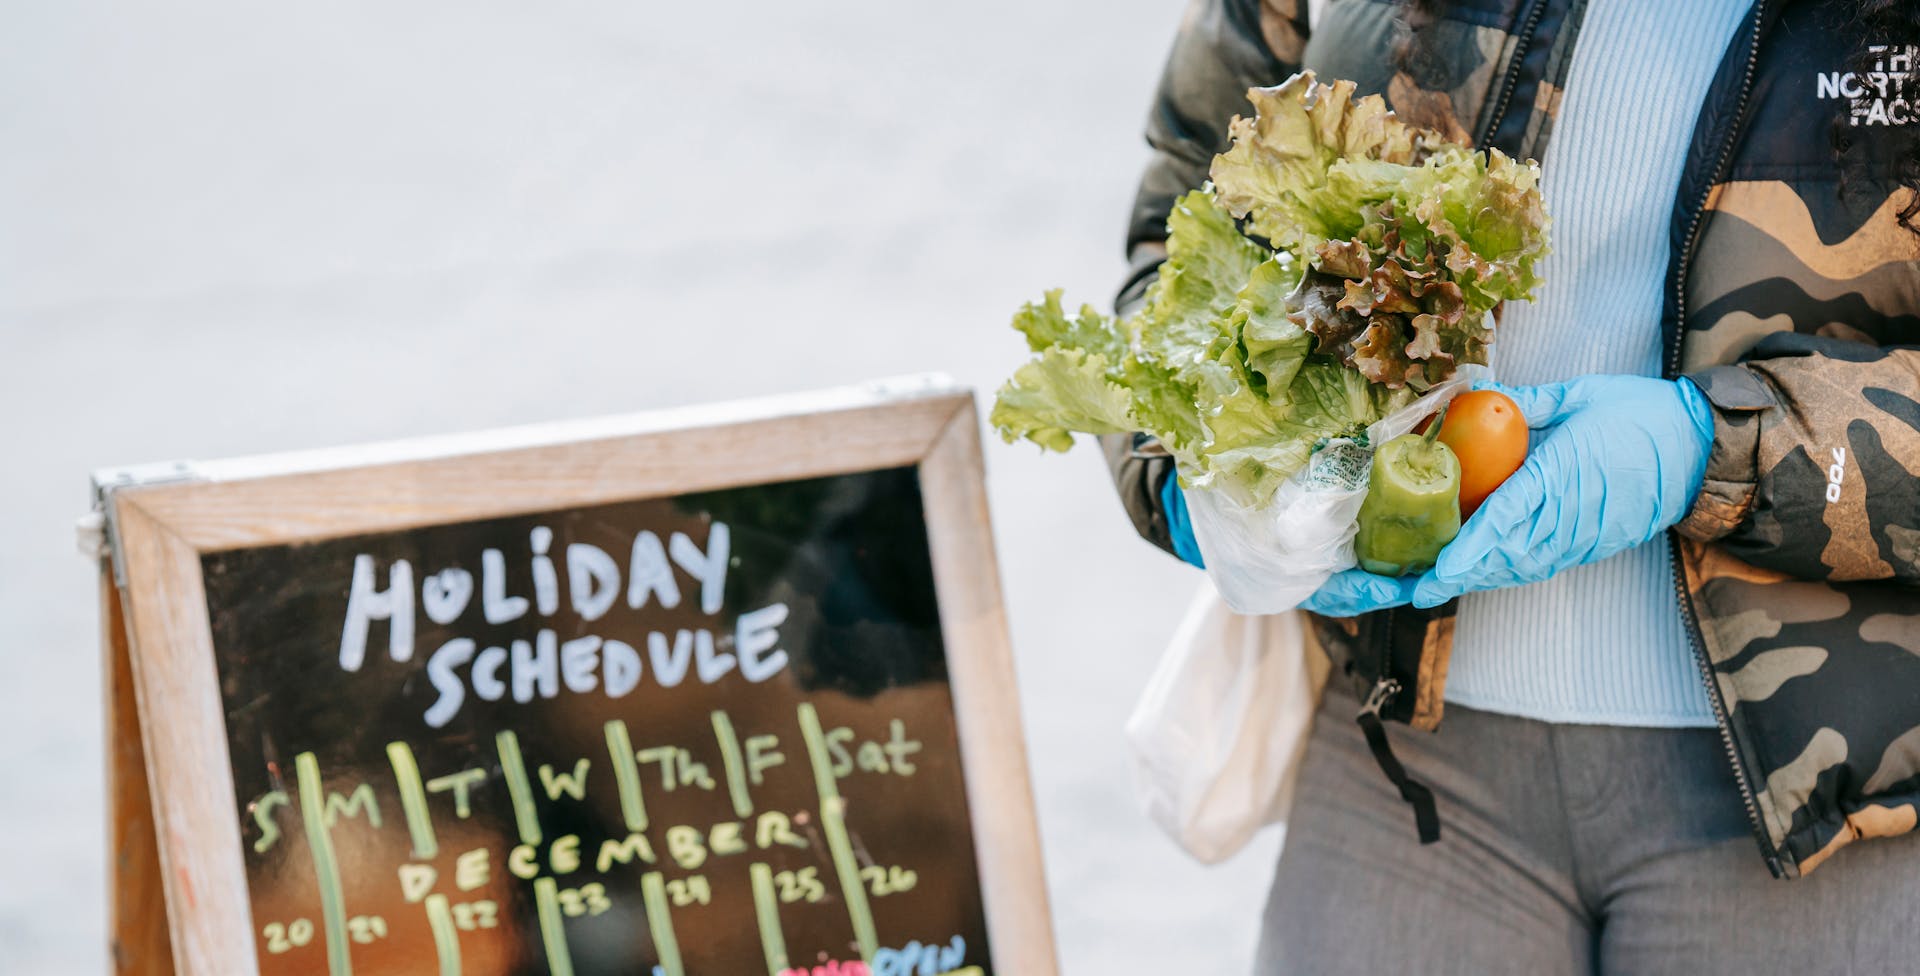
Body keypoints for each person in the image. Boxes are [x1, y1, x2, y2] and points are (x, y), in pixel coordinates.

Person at [1103, 0, 1920, 972]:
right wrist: (1197, 473)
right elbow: (1186, 215)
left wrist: (1723, 449)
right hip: (1403, 765)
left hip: (1819, 790)